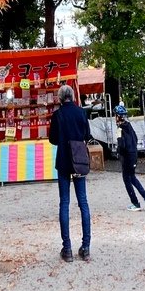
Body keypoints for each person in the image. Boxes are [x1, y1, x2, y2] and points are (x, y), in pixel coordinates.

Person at [48, 84, 91, 262]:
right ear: (72, 96)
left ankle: (67, 249)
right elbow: (87, 135)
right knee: (83, 202)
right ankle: (86, 246)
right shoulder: (81, 113)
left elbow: (53, 139)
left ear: (59, 97)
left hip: (64, 161)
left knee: (64, 203)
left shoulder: (57, 115)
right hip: (79, 160)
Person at [114, 104, 145, 210]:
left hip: (126, 157)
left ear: (118, 117)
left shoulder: (119, 129)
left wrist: (118, 152)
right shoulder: (129, 126)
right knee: (132, 177)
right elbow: (135, 138)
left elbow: (121, 145)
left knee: (127, 179)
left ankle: (135, 202)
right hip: (134, 154)